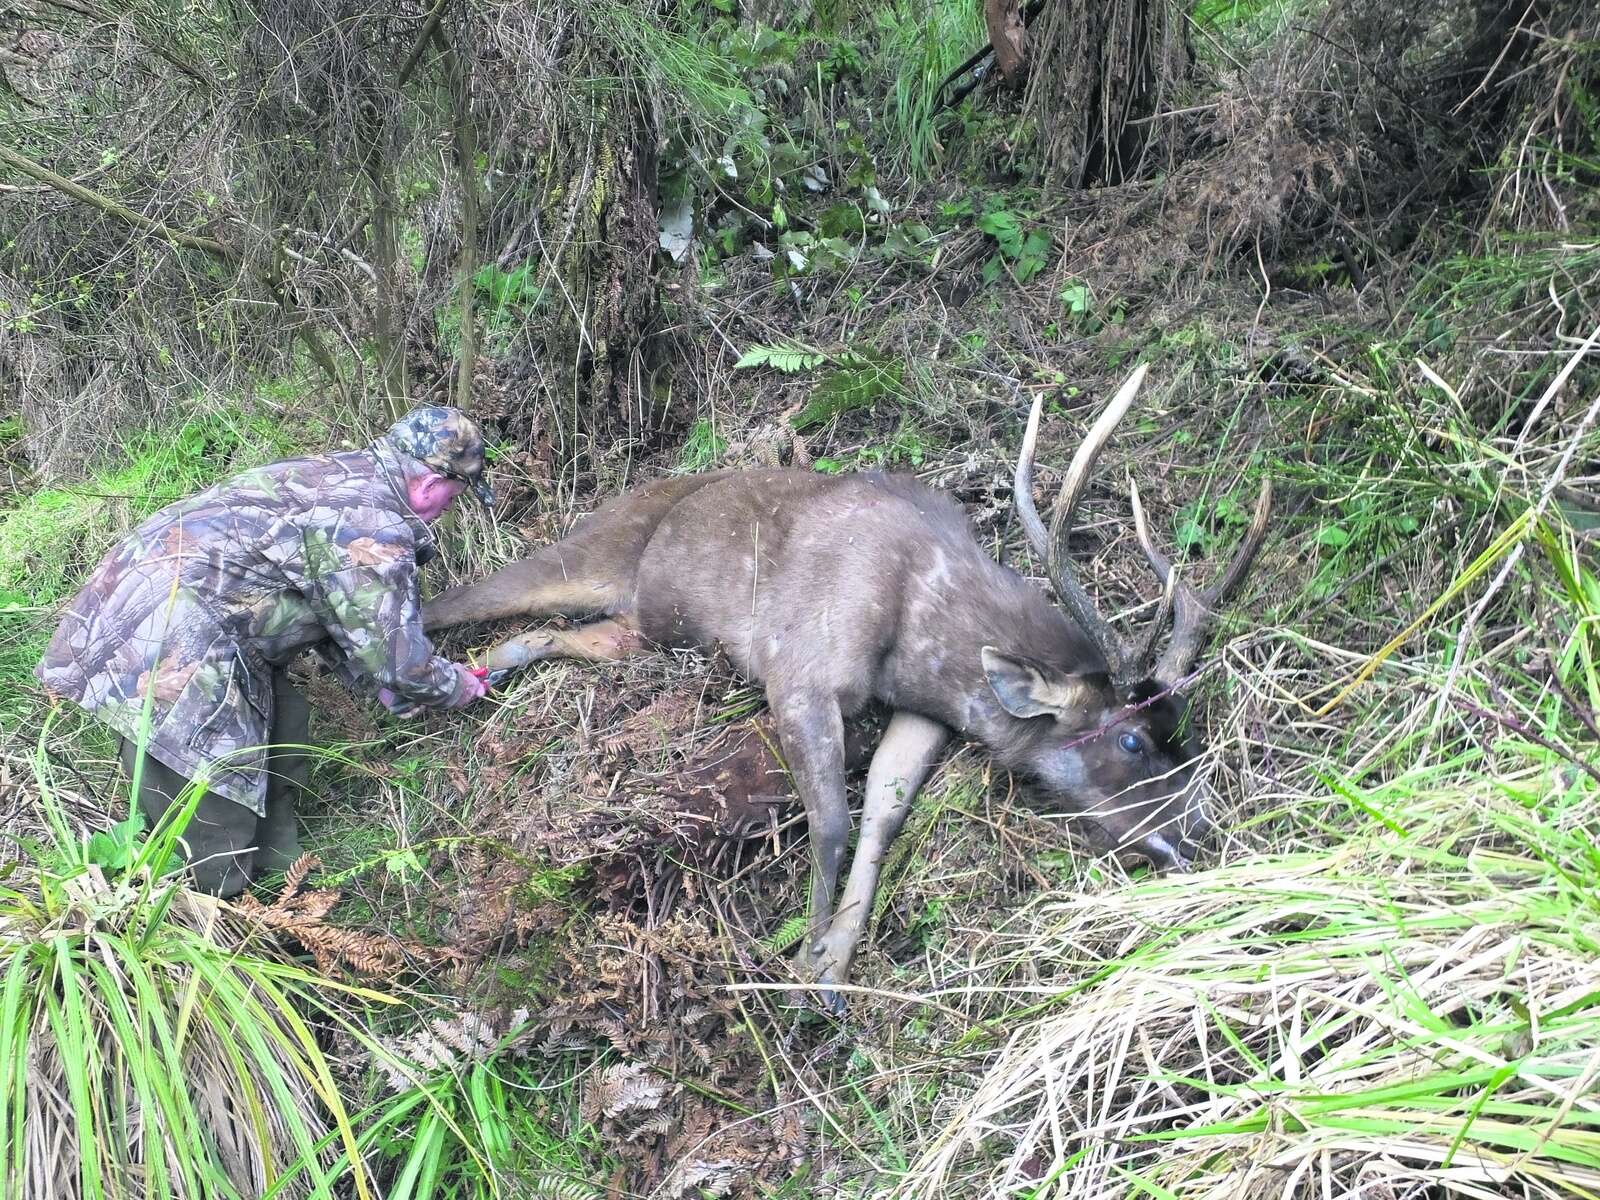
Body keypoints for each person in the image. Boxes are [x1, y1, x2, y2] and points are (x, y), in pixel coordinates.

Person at [35, 406, 497, 897]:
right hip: (174, 636)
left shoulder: (337, 474)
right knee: (212, 784)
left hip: (154, 607)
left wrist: (375, 684)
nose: (452, 506)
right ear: (430, 483)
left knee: (286, 721)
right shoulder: (372, 523)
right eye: (457, 493)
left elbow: (328, 609)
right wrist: (456, 686)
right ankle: (222, 917)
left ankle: (281, 880)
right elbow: (399, 659)